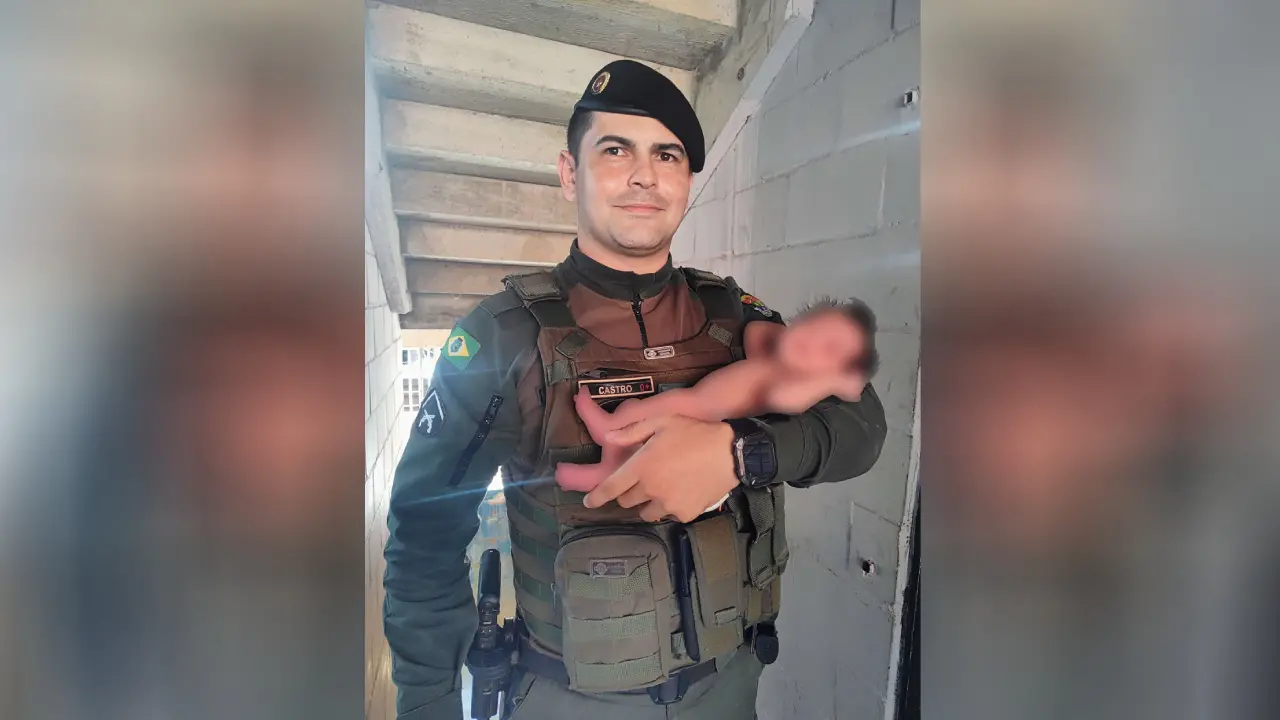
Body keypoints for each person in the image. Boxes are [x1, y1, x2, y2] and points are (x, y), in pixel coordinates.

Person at [383, 59, 888, 720]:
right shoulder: (504, 338)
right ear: (571, 173)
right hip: (570, 699)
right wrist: (429, 705)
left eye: (666, 155)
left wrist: (740, 452)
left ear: (686, 180)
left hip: (728, 689)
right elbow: (423, 538)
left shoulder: (735, 317)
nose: (645, 175)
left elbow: (862, 422)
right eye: (616, 150)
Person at [556, 298, 880, 493]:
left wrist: (832, 383)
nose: (811, 340)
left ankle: (605, 460)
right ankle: (607, 438)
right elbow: (756, 333)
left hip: (699, 416)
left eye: (829, 349)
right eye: (812, 324)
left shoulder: (793, 386)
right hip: (691, 400)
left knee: (639, 431)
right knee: (632, 411)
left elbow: (787, 400)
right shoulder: (770, 348)